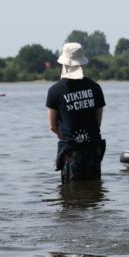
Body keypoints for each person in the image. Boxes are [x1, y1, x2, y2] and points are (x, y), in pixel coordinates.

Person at [45, 42, 106, 182]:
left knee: (70, 195)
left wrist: (68, 137)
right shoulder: (95, 88)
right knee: (94, 191)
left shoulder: (55, 91)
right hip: (93, 149)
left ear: (64, 64)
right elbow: (98, 122)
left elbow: (52, 126)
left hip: (71, 152)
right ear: (81, 64)